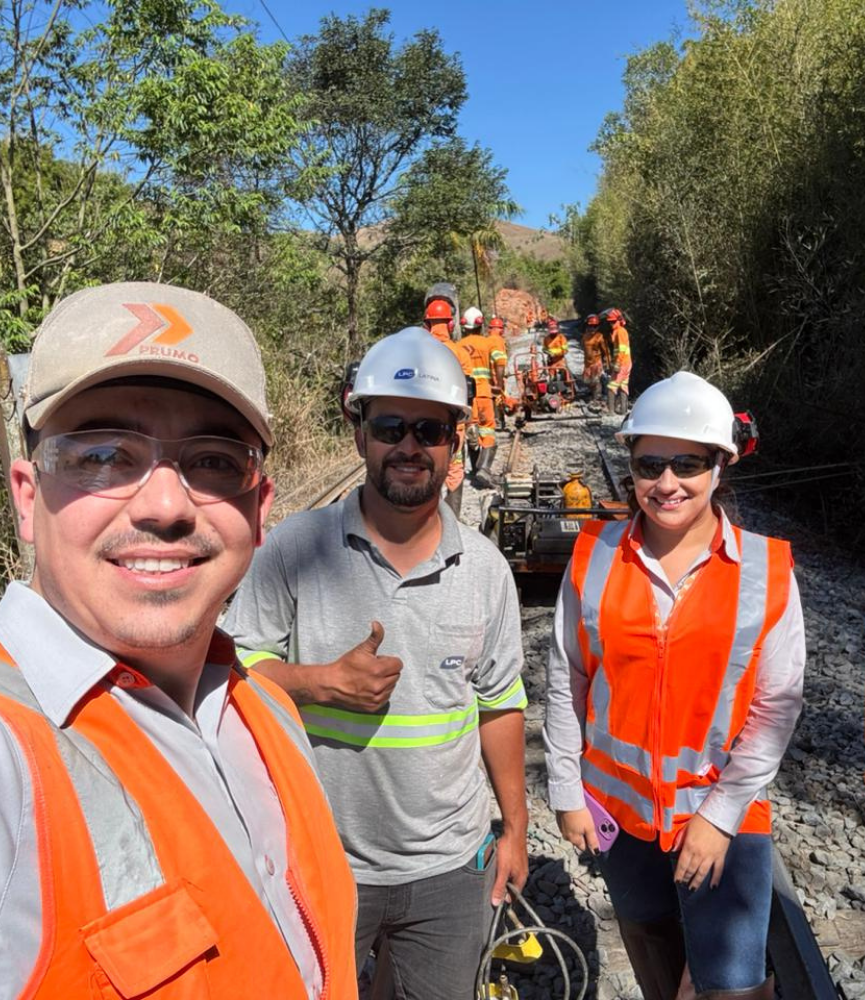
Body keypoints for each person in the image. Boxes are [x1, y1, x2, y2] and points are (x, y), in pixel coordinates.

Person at [0, 282, 357, 998]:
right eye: (101, 455)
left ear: (259, 509)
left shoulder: (267, 711)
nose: (164, 506)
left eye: (214, 460)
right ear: (29, 499)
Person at [224, 327, 529, 1000]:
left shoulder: (483, 569)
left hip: (448, 870)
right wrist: (318, 682)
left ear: (455, 442)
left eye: (430, 429)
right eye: (391, 426)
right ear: (358, 429)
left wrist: (516, 828)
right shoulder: (297, 551)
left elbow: (500, 703)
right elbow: (229, 671)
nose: (410, 447)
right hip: (317, 857)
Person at [543, 371, 805, 1000]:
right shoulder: (594, 554)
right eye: (649, 463)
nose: (666, 483)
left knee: (731, 983)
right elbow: (566, 675)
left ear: (720, 466)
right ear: (630, 464)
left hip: (722, 814)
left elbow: (776, 710)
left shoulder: (765, 571)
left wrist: (719, 818)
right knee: (653, 947)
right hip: (621, 816)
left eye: (686, 463)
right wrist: (565, 788)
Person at [423, 297, 471, 516]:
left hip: (422, 424)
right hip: (453, 424)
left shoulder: (419, 351)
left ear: (427, 324)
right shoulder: (459, 352)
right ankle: (453, 521)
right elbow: (470, 391)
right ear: (451, 324)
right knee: (454, 469)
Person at [458, 306, 497, 488]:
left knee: (471, 431)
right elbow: (498, 365)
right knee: (487, 429)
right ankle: (484, 468)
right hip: (484, 393)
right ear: (481, 325)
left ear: (464, 326)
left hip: (466, 396)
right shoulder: (487, 343)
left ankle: (474, 470)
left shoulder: (457, 346)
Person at [581, 313, 611, 409]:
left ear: (598, 326)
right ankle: (593, 395)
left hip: (596, 362)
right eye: (590, 326)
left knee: (596, 381)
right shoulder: (585, 337)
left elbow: (605, 351)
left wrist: (607, 362)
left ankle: (597, 398)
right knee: (587, 381)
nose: (592, 328)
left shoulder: (599, 337)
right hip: (587, 363)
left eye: (594, 326)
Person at [486, 316, 509, 431]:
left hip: (488, 376)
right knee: (498, 396)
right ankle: (499, 421)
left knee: (491, 398)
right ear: (500, 329)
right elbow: (500, 361)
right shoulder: (498, 340)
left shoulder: (488, 339)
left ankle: (496, 420)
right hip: (496, 375)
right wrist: (499, 382)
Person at [607, 308, 632, 413]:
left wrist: (617, 363)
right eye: (610, 322)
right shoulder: (620, 331)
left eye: (613, 322)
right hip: (626, 363)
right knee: (623, 385)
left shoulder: (620, 332)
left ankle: (611, 412)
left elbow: (621, 350)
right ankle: (623, 410)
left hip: (622, 363)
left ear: (618, 320)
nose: (611, 324)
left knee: (611, 387)